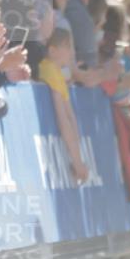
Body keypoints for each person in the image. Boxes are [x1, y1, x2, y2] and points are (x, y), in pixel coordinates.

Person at [37, 29, 89, 184]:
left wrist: (78, 160)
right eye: (67, 47)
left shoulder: (57, 73)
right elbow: (62, 119)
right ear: (52, 50)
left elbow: (71, 117)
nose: (72, 52)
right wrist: (78, 163)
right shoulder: (48, 70)